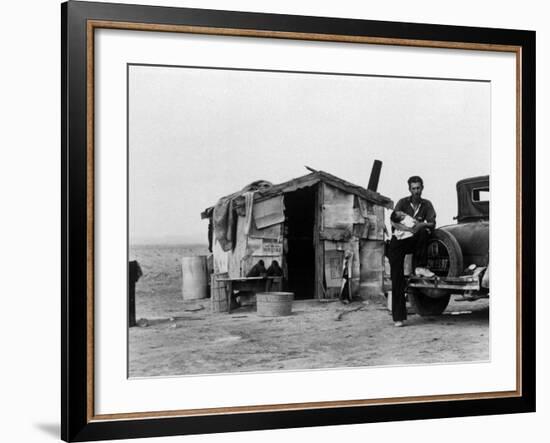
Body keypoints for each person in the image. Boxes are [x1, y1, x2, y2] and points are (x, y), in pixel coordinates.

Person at [388, 176, 436, 327]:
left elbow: (432, 223)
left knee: (423, 231)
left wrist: (420, 226)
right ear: (409, 189)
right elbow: (394, 222)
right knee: (397, 278)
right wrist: (409, 228)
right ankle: (398, 317)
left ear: (422, 188)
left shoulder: (427, 204)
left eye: (418, 188)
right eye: (413, 188)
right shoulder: (402, 203)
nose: (416, 191)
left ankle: (420, 266)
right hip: (398, 243)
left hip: (415, 242)